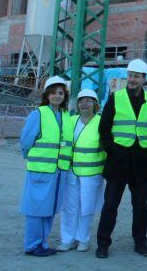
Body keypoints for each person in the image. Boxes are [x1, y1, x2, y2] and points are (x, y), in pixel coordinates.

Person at [96, 59, 147, 258]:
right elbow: (104, 128)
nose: (132, 79)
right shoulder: (115, 98)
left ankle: (140, 243)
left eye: (136, 76)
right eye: (130, 75)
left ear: (144, 79)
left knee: (140, 207)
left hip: (141, 161)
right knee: (110, 205)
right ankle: (103, 244)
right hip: (118, 161)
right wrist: (112, 150)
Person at [20, 76, 71, 256]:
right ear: (47, 95)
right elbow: (26, 140)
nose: (57, 96)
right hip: (41, 171)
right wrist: (32, 157)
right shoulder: (39, 114)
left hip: (58, 171)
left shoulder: (65, 116)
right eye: (53, 93)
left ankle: (42, 243)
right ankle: (32, 245)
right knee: (36, 209)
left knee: (50, 209)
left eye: (61, 93)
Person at [59, 89, 106, 252]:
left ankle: (83, 239)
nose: (84, 104)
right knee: (69, 207)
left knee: (87, 207)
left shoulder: (101, 122)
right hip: (72, 172)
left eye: (88, 100)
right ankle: (67, 239)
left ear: (95, 104)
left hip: (92, 174)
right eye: (81, 101)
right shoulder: (71, 121)